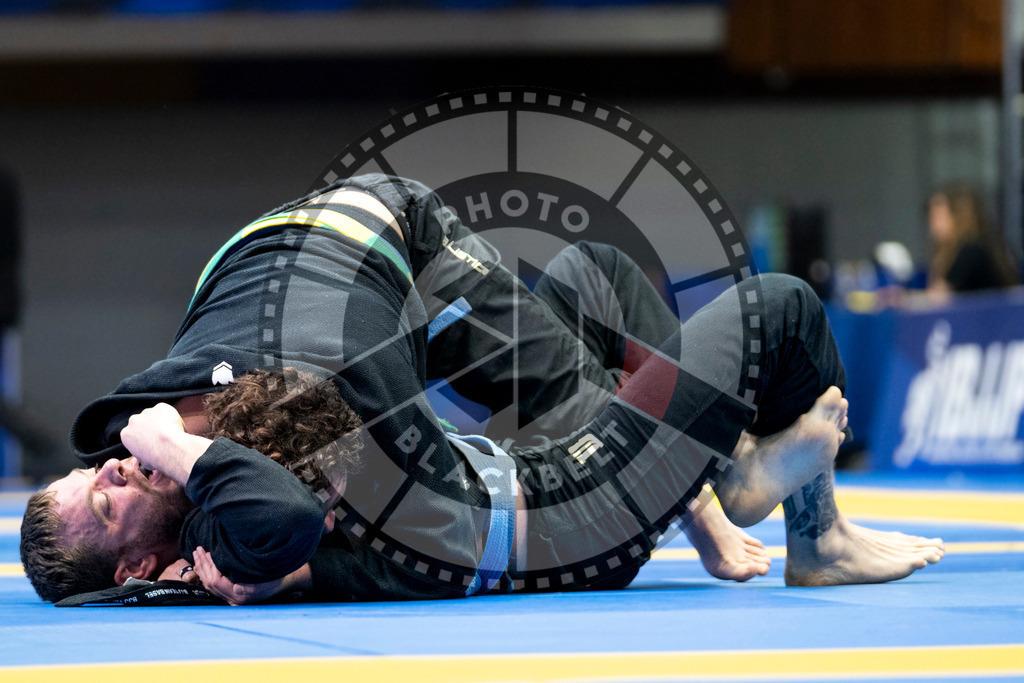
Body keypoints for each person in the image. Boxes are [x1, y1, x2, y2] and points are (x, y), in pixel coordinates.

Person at [21, 175, 944, 604]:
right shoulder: (220, 541)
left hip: (529, 473)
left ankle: (703, 475)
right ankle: (808, 534)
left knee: (593, 273)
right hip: (575, 515)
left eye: (96, 468)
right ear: (139, 565)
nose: (114, 469)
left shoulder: (227, 476)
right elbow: (286, 519)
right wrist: (179, 445)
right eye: (101, 502)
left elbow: (416, 380)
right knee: (780, 308)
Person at [926, 182, 1019, 295]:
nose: (933, 225)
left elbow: (939, 297)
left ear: (959, 216)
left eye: (938, 216)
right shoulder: (960, 250)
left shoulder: (972, 251)